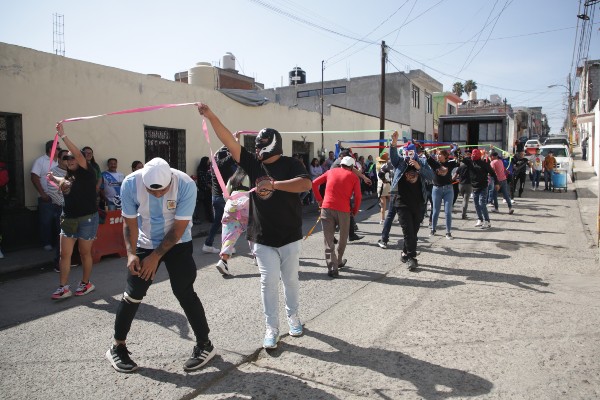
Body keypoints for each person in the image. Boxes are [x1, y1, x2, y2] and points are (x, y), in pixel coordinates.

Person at [199, 103, 311, 350]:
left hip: (290, 236)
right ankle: (271, 327)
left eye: (260, 145)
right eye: (256, 146)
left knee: (290, 280)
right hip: (261, 237)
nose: (256, 149)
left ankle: (293, 317)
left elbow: (305, 185)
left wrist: (275, 185)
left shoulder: (292, 164)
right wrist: (211, 115)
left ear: (272, 144)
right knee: (268, 282)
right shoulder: (252, 164)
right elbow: (229, 140)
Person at [106, 157, 215, 373]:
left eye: (162, 191)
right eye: (151, 191)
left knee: (184, 292)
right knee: (133, 294)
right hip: (145, 242)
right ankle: (117, 347)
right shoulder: (130, 183)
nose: (156, 194)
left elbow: (178, 228)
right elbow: (129, 223)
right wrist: (131, 254)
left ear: (170, 180)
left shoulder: (185, 184)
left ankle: (205, 344)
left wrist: (155, 257)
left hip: (178, 242)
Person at [48, 125, 99, 300]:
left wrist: (63, 136)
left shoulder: (88, 172)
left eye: (73, 158)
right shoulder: (68, 177)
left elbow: (77, 153)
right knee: (64, 254)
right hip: (68, 219)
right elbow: (64, 182)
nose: (70, 160)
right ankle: (63, 287)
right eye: (66, 158)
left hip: (87, 219)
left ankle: (86, 283)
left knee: (85, 253)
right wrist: (52, 178)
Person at [388, 131, 434, 271]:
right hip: (402, 203)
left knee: (413, 232)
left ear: (415, 153)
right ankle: (412, 257)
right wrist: (394, 143)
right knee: (408, 231)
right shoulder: (400, 163)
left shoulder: (422, 163)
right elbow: (393, 156)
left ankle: (404, 252)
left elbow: (431, 177)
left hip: (419, 203)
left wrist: (419, 168)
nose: (409, 156)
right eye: (406, 153)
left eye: (411, 154)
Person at [312, 156, 362, 277]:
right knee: (343, 237)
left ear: (341, 164)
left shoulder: (330, 171)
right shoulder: (353, 177)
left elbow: (314, 183)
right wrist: (354, 211)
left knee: (328, 239)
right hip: (344, 210)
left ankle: (332, 267)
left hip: (326, 208)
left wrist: (319, 199)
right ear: (351, 167)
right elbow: (358, 196)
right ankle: (339, 260)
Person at [215, 163, 252, 276]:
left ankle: (223, 260)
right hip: (246, 204)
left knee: (229, 235)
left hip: (231, 206)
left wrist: (232, 205)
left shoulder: (232, 179)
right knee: (253, 230)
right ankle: (257, 256)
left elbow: (226, 195)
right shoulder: (250, 176)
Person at [203, 146, 236, 254]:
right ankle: (227, 246)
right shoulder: (224, 165)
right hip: (224, 198)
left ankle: (209, 244)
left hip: (216, 198)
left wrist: (222, 147)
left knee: (218, 222)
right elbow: (233, 155)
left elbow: (215, 154)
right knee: (229, 223)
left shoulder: (214, 165)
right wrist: (234, 142)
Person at [31, 140, 60, 251]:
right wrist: (42, 194)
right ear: (50, 149)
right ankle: (46, 243)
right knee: (46, 221)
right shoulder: (41, 161)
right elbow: (34, 177)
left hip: (59, 198)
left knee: (59, 221)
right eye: (58, 148)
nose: (60, 150)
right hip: (47, 197)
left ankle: (59, 243)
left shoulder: (60, 162)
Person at [427, 149, 459, 239]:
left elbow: (459, 160)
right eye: (437, 154)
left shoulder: (450, 163)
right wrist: (420, 146)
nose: (438, 156)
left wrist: (457, 150)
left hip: (448, 189)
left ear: (445, 156)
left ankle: (448, 232)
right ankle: (433, 229)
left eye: (440, 154)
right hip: (436, 189)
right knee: (435, 211)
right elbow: (427, 156)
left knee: (448, 211)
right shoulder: (434, 163)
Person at [47, 149, 69, 272]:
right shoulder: (53, 172)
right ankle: (58, 263)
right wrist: (68, 203)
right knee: (62, 236)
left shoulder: (73, 172)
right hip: (61, 208)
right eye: (65, 157)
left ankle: (68, 260)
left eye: (70, 157)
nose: (68, 160)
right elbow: (53, 193)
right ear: (59, 159)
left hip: (75, 208)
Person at [467, 149, 498, 229]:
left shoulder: (484, 164)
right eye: (472, 154)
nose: (473, 156)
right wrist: (457, 150)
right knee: (476, 204)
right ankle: (480, 219)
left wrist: (497, 183)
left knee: (482, 203)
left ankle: (487, 221)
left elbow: (493, 173)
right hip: (474, 187)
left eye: (475, 154)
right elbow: (460, 159)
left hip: (483, 187)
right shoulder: (470, 163)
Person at [454, 149, 473, 220]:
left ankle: (464, 213)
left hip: (460, 185)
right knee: (465, 200)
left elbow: (454, 176)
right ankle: (463, 214)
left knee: (464, 199)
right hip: (468, 184)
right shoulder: (471, 166)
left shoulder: (460, 167)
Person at [195, 156, 214, 224]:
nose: (209, 162)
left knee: (209, 204)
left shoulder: (208, 169)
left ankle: (211, 218)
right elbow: (204, 182)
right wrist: (211, 187)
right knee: (208, 204)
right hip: (204, 190)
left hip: (209, 189)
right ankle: (210, 218)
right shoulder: (201, 170)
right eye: (208, 161)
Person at [376, 153, 392, 224]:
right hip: (387, 184)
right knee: (392, 202)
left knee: (383, 204)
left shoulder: (378, 166)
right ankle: (391, 217)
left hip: (380, 185)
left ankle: (382, 219)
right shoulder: (387, 166)